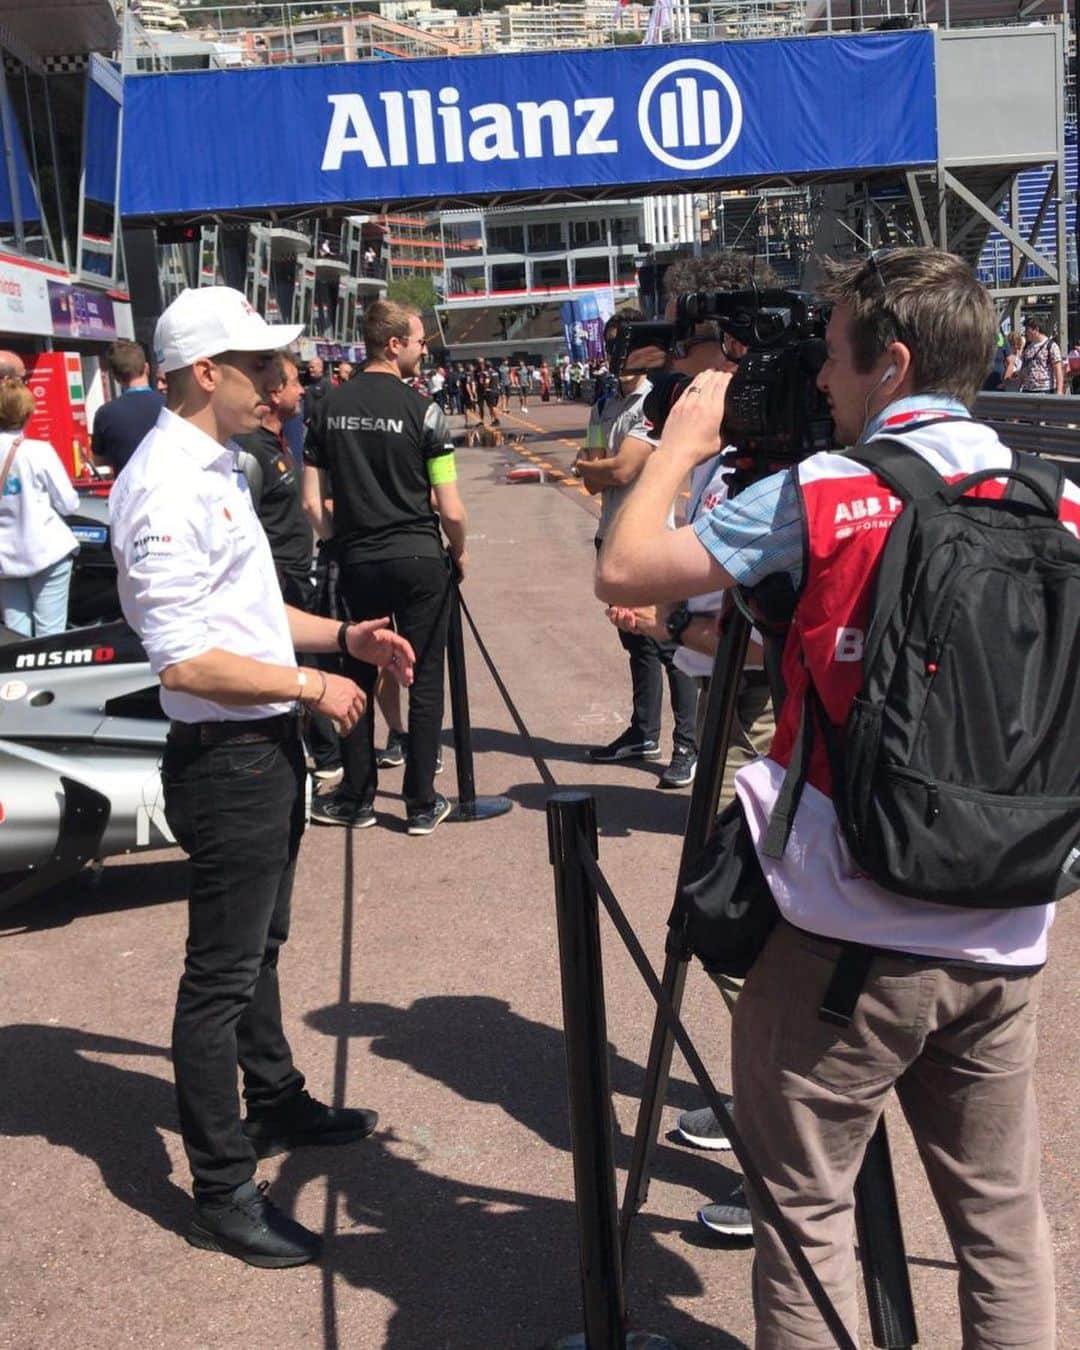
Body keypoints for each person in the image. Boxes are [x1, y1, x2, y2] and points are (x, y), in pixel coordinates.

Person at [597, 246, 1068, 1348]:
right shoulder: (1060, 501)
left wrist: (679, 447)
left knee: (806, 1216)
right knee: (1001, 1222)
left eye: (837, 361)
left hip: (843, 927)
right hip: (1007, 922)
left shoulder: (825, 491)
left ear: (891, 362)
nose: (817, 382)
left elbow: (625, 569)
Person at [109, 285, 415, 1269]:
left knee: (259, 945)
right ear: (207, 373)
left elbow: (250, 604)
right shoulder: (164, 482)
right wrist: (310, 686)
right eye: (259, 368)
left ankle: (274, 1100)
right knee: (222, 971)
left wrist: (344, 637)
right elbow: (185, 659)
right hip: (229, 757)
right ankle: (222, 1186)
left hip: (260, 748)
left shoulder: (220, 465)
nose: (278, 386)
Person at [303, 298, 467, 836]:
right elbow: (451, 507)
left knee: (357, 669)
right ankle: (421, 801)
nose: (424, 350)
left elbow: (311, 504)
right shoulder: (425, 411)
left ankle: (358, 795)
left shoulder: (325, 408)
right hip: (420, 556)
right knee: (422, 677)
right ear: (393, 344)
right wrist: (457, 549)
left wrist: (341, 539)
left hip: (357, 559)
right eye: (419, 341)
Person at [576, 309, 698, 790]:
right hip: (610, 534)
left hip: (649, 539)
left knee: (669, 644)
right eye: (611, 344)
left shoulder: (656, 402)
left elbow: (622, 470)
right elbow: (588, 476)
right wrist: (599, 467)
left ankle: (687, 744)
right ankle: (643, 732)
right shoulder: (603, 404)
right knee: (634, 642)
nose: (617, 355)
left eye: (625, 344)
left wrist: (598, 466)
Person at [233, 355, 341, 785]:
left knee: (313, 656)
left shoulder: (281, 440)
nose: (303, 391)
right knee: (297, 664)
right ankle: (326, 756)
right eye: (295, 384)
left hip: (300, 571)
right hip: (277, 580)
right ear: (274, 393)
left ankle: (325, 752)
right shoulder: (250, 452)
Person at [0, 376, 79, 636]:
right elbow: (68, 504)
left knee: (15, 635)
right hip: (46, 551)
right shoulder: (38, 451)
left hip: (5, 558)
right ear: (26, 413)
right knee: (51, 634)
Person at [90, 340, 166, 478]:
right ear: (147, 368)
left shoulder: (105, 414)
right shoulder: (170, 406)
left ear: (115, 377)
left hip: (130, 495)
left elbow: (99, 461)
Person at [1019, 315, 1064, 394]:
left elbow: (1058, 369)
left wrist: (1059, 390)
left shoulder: (1051, 346)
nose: (1025, 333)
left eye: (1027, 330)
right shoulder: (1028, 347)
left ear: (1036, 329)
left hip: (1045, 390)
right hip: (1027, 390)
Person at [303, 355, 330, 425]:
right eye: (309, 367)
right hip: (305, 422)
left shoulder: (326, 384)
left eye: (312, 367)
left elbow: (329, 405)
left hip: (318, 424)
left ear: (320, 368)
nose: (310, 370)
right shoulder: (307, 383)